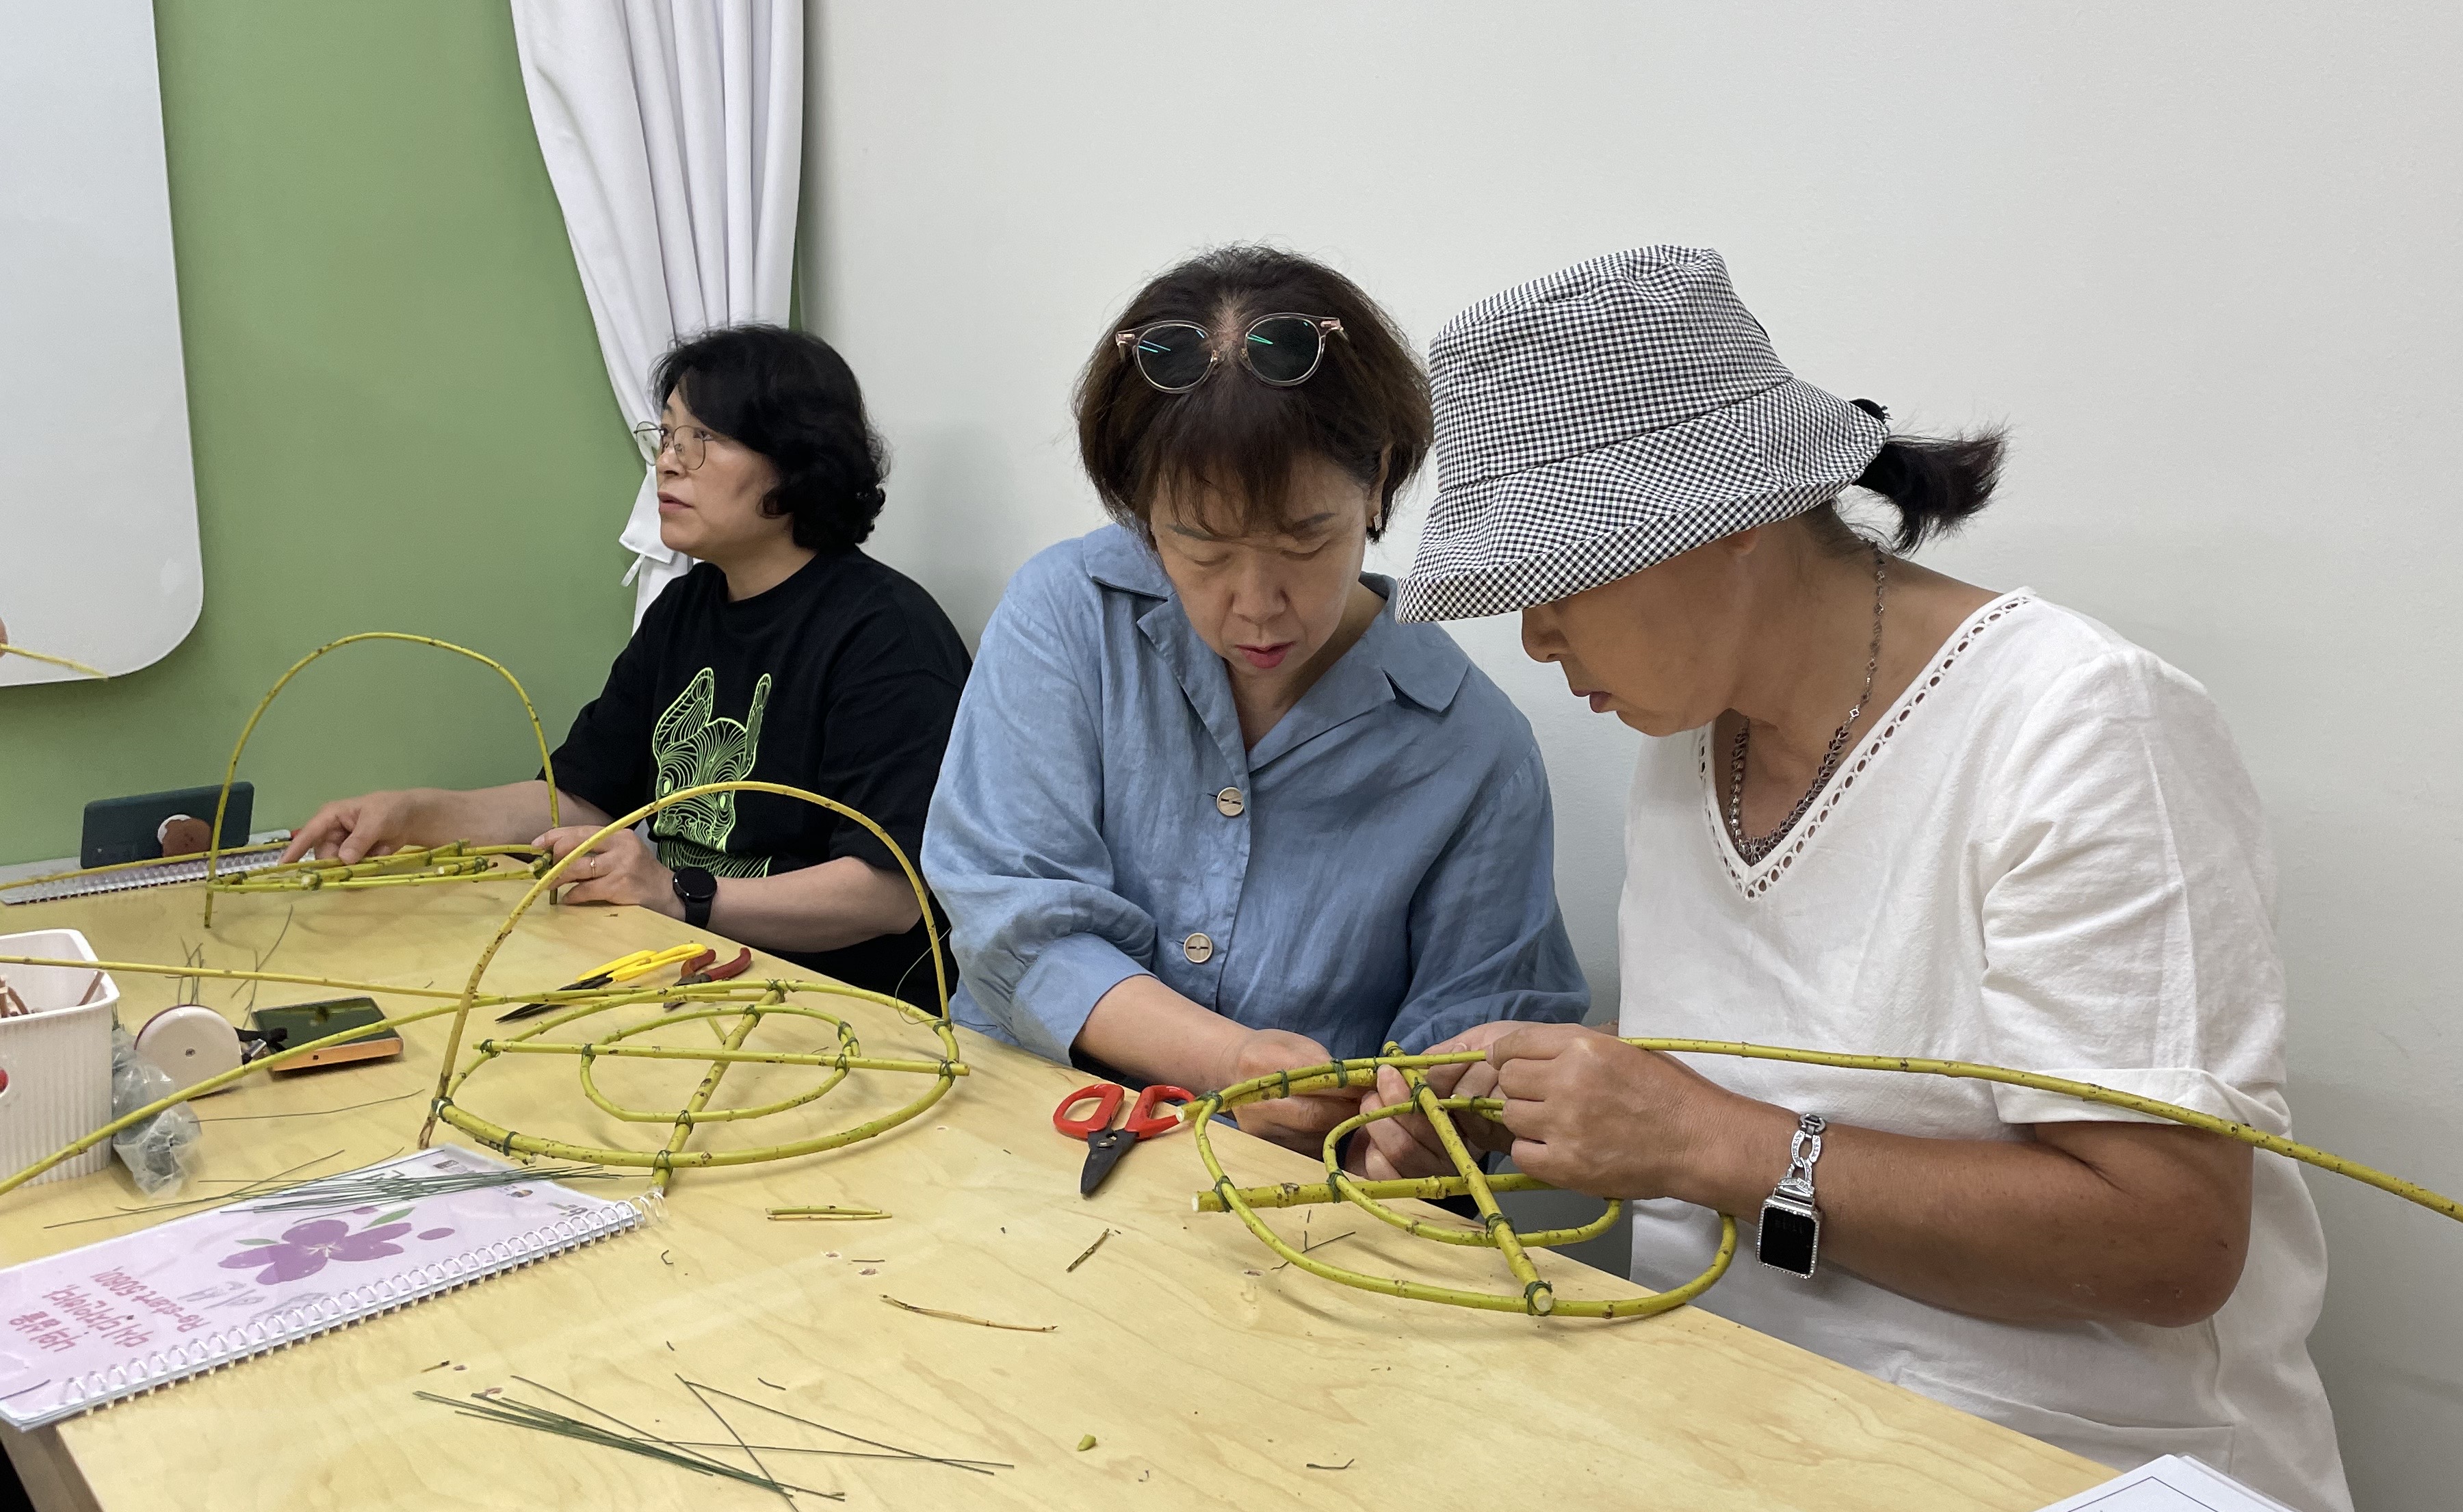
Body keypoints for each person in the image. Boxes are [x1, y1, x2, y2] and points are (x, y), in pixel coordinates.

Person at [1378, 244, 2353, 1512]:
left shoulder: (2077, 728)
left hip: (2079, 1504)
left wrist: (1698, 1139)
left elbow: (2169, 1241)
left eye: (1557, 579)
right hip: (1742, 1449)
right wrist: (1542, 1092)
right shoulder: (1689, 740)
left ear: (1722, 514)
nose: (1535, 633)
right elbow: (1806, 1066)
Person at [922, 244, 1588, 1150]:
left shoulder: (1472, 749)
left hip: (1284, 1201)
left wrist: (1411, 1131)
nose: (1258, 604)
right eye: (1201, 547)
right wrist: (1229, 1060)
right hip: (1014, 1147)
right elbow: (1012, 918)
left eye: (1306, 540)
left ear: (1378, 483)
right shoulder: (1069, 615)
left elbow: (1476, 1044)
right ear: (1140, 510)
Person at [283, 325, 972, 1002]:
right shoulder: (686, 608)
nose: (668, 463)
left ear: (795, 461)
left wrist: (679, 893)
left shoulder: (886, 634)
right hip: (688, 972)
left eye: (701, 439)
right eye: (666, 437)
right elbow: (582, 795)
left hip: (839, 1006)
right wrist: (418, 814)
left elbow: (888, 894)